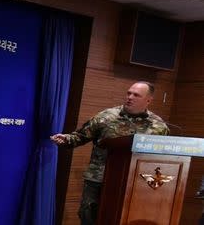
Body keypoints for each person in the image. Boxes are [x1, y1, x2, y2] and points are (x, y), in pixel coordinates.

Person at [50, 81, 169, 225]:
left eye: (136, 95)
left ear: (148, 100)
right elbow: (80, 136)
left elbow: (163, 156)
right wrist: (66, 139)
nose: (130, 97)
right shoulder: (106, 117)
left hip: (135, 184)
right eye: (128, 93)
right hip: (98, 179)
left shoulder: (158, 126)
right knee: (88, 216)